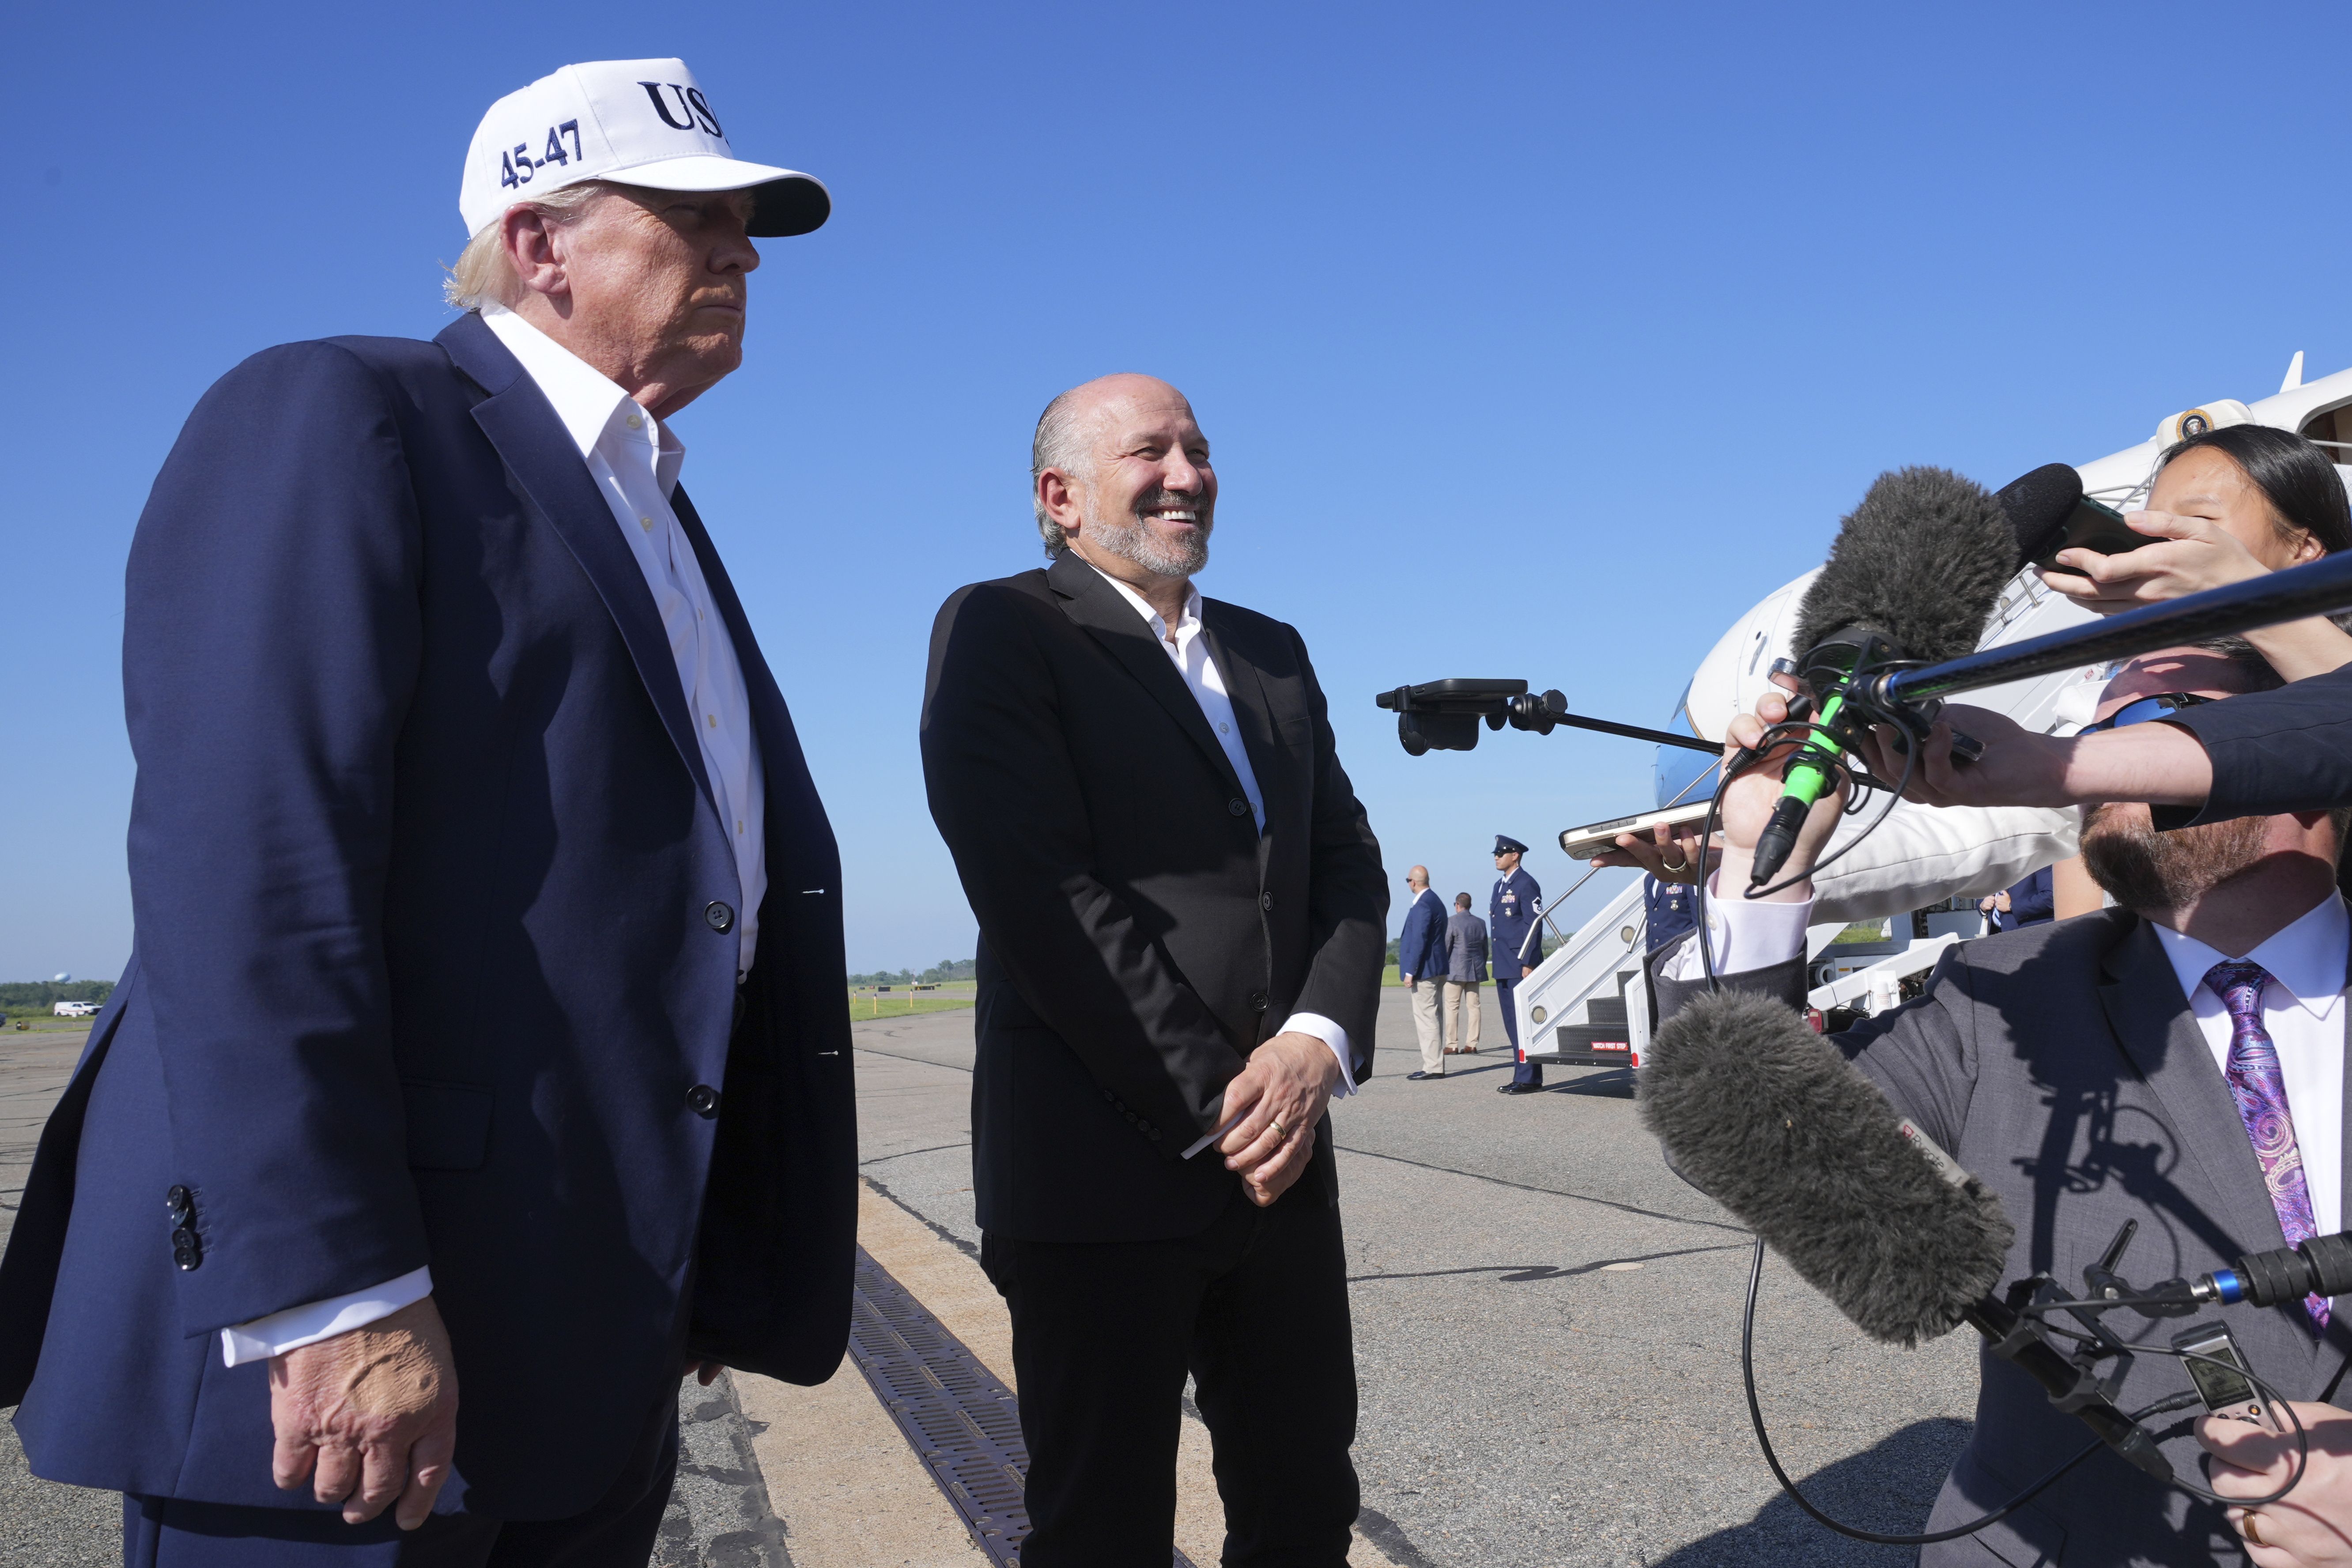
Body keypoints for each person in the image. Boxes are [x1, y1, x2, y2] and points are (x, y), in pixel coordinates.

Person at [0, 60, 857, 1567]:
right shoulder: (345, 414)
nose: (742, 250)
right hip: (353, 1388)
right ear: (539, 245)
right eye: (694, 214)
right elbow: (251, 869)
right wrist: (336, 1295)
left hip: (581, 1352)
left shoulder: (651, 507)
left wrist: (695, 1260)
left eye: (748, 223)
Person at [1656, 641, 2352, 1564]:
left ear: (2297, 751)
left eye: (2159, 713)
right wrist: (1757, 852)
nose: (2101, 753)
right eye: (2093, 727)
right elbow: (1745, 1129)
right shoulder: (2006, 995)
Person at [918, 373, 1386, 1567]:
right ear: (1058, 495)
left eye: (1198, 447)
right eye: (1149, 450)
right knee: (1102, 1524)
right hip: (1098, 1171)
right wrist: (1225, 1102)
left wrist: (1312, 1042)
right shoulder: (1003, 627)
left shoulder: (1270, 651)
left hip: (1280, 1168)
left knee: (1301, 1502)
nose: (1185, 472)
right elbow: (1041, 891)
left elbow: (1344, 863)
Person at [1489, 836, 1545, 1095]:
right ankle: (1521, 1075)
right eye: (1496, 853)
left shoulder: (1526, 884)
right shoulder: (1498, 887)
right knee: (1512, 1023)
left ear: (1516, 856)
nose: (1497, 856)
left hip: (1519, 963)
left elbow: (1533, 924)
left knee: (1522, 1022)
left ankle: (1529, 1078)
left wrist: (1529, 962)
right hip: (1503, 962)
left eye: (1502, 852)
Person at [1397, 867, 1449, 1081]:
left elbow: (1419, 940)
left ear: (1413, 882)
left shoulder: (1423, 904)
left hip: (1425, 971)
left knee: (1427, 1018)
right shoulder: (1435, 901)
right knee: (1434, 1016)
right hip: (1436, 968)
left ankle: (1433, 1066)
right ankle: (1434, 1063)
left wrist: (1411, 972)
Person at [1443, 893, 1487, 1056]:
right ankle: (1472, 1044)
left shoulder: (1452, 922)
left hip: (1455, 971)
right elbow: (1485, 949)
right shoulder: (1481, 923)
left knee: (1452, 1007)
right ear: (1470, 905)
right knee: (1474, 1007)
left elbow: (1446, 947)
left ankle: (1452, 1044)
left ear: (1457, 905)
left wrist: (1443, 968)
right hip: (1475, 970)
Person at [1979, 864, 2055, 933]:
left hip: (2029, 935)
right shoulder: (1994, 865)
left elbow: (2050, 898)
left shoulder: (2040, 861)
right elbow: (1980, 894)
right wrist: (1982, 905)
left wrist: (2011, 906)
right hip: (1997, 936)